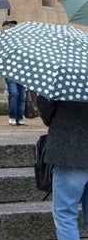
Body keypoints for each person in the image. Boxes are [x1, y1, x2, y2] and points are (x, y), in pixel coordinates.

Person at [37, 95, 88, 240]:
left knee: (65, 215)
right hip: (71, 152)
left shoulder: (61, 77)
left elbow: (46, 112)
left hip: (70, 151)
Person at [1, 20, 27, 126]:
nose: (12, 27)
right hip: (10, 70)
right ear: (4, 27)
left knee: (22, 95)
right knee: (14, 93)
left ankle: (19, 117)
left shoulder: (21, 39)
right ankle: (12, 117)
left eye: (14, 25)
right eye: (10, 25)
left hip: (22, 70)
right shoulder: (3, 39)